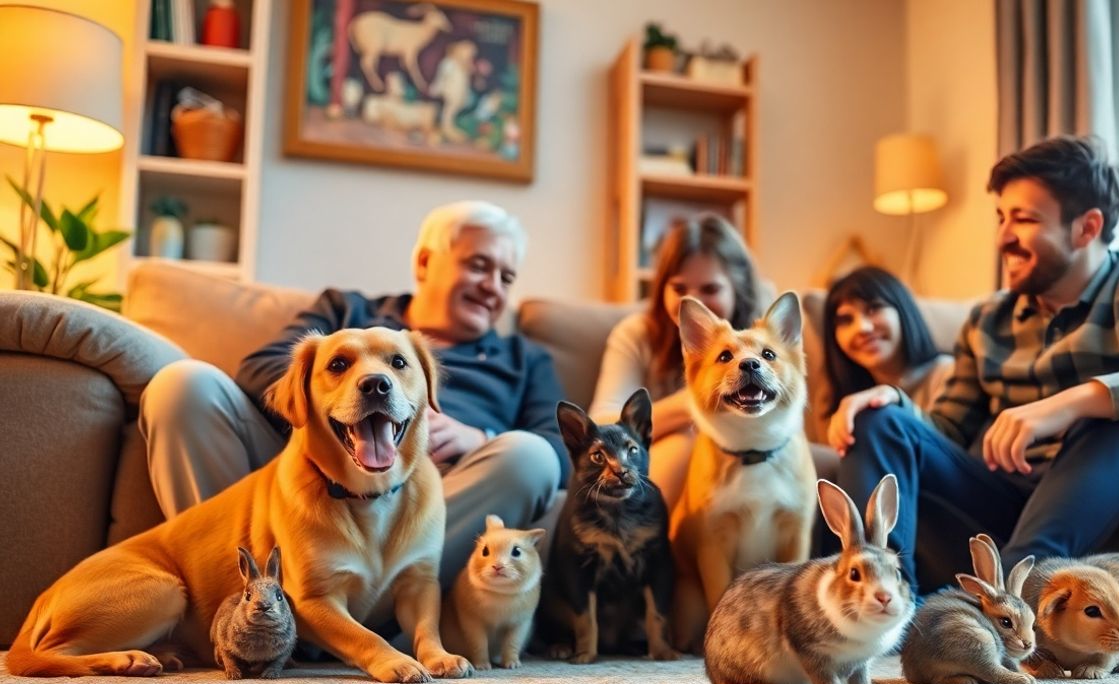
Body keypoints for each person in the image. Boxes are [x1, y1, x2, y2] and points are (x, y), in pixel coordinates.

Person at [836, 135, 1119, 597]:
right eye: (1001, 218)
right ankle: (878, 601)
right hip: (992, 505)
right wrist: (893, 404)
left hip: (1085, 505)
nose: (1003, 237)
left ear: (1087, 228)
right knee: (878, 418)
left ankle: (998, 604)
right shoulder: (987, 320)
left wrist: (1076, 402)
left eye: (1024, 219)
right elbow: (945, 430)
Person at [140, 201, 570, 588]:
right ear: (425, 262)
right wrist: (334, 409)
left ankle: (386, 607)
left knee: (531, 456)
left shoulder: (524, 359)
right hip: (304, 479)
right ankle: (241, 593)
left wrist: (480, 439)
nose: (493, 286)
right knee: (183, 386)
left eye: (506, 277)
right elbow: (260, 369)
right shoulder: (346, 311)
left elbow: (567, 450)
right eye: (478, 266)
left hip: (435, 496)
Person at [588, 213, 762, 508]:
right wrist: (693, 403)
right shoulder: (637, 334)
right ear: (661, 289)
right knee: (687, 442)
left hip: (745, 476)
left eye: (710, 289)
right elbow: (601, 426)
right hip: (655, 468)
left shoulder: (762, 344)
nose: (692, 303)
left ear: (738, 288)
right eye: (679, 289)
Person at [822, 265, 953, 455]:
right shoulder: (842, 400)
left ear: (902, 309)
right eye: (846, 320)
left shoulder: (948, 373)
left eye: (873, 309)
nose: (862, 328)